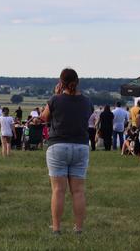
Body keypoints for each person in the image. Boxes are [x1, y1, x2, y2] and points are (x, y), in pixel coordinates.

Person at [39, 68, 90, 235]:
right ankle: (79, 228)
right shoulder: (87, 102)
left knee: (58, 190)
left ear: (61, 83)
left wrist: (56, 95)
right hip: (81, 146)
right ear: (77, 81)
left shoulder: (55, 99)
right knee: (78, 191)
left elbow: (44, 117)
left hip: (58, 145)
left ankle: (56, 228)